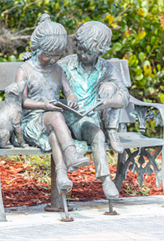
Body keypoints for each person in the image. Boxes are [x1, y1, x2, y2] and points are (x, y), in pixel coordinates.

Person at [16, 14, 90, 193]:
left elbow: (69, 91)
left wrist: (72, 99)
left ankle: (62, 176)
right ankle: (71, 153)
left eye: (57, 56)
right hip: (32, 123)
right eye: (48, 55)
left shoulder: (58, 70)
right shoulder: (24, 70)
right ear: (36, 48)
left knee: (54, 135)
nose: (53, 60)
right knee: (56, 116)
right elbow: (22, 101)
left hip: (54, 124)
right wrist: (44, 106)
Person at [57, 21, 130, 199]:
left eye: (88, 53)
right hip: (66, 122)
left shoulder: (106, 68)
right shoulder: (64, 65)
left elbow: (124, 94)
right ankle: (70, 161)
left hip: (88, 121)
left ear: (99, 52)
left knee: (98, 135)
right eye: (80, 49)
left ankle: (105, 180)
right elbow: (42, 71)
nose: (82, 54)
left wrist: (109, 103)